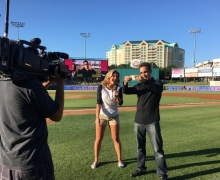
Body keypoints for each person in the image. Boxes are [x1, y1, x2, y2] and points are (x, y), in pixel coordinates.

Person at [0, 62, 68, 180]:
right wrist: (60, 82)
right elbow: (57, 115)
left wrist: (43, 86)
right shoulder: (32, 85)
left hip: (6, 163)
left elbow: (26, 102)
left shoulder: (2, 82)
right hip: (33, 164)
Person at [123, 62, 168, 180]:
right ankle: (141, 168)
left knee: (158, 149)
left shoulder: (157, 83)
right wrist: (125, 83)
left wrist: (144, 81)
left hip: (152, 121)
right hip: (138, 121)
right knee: (140, 148)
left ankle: (162, 174)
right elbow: (126, 91)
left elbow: (155, 89)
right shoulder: (139, 86)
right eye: (141, 73)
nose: (143, 74)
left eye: (145, 72)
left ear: (150, 72)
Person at [91, 69, 124, 169]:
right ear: (109, 77)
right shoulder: (101, 87)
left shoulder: (119, 88)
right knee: (98, 139)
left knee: (116, 139)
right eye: (113, 76)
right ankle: (96, 160)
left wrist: (117, 96)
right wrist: (97, 118)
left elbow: (120, 103)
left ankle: (120, 160)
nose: (115, 78)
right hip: (102, 116)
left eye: (117, 77)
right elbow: (98, 103)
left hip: (114, 116)